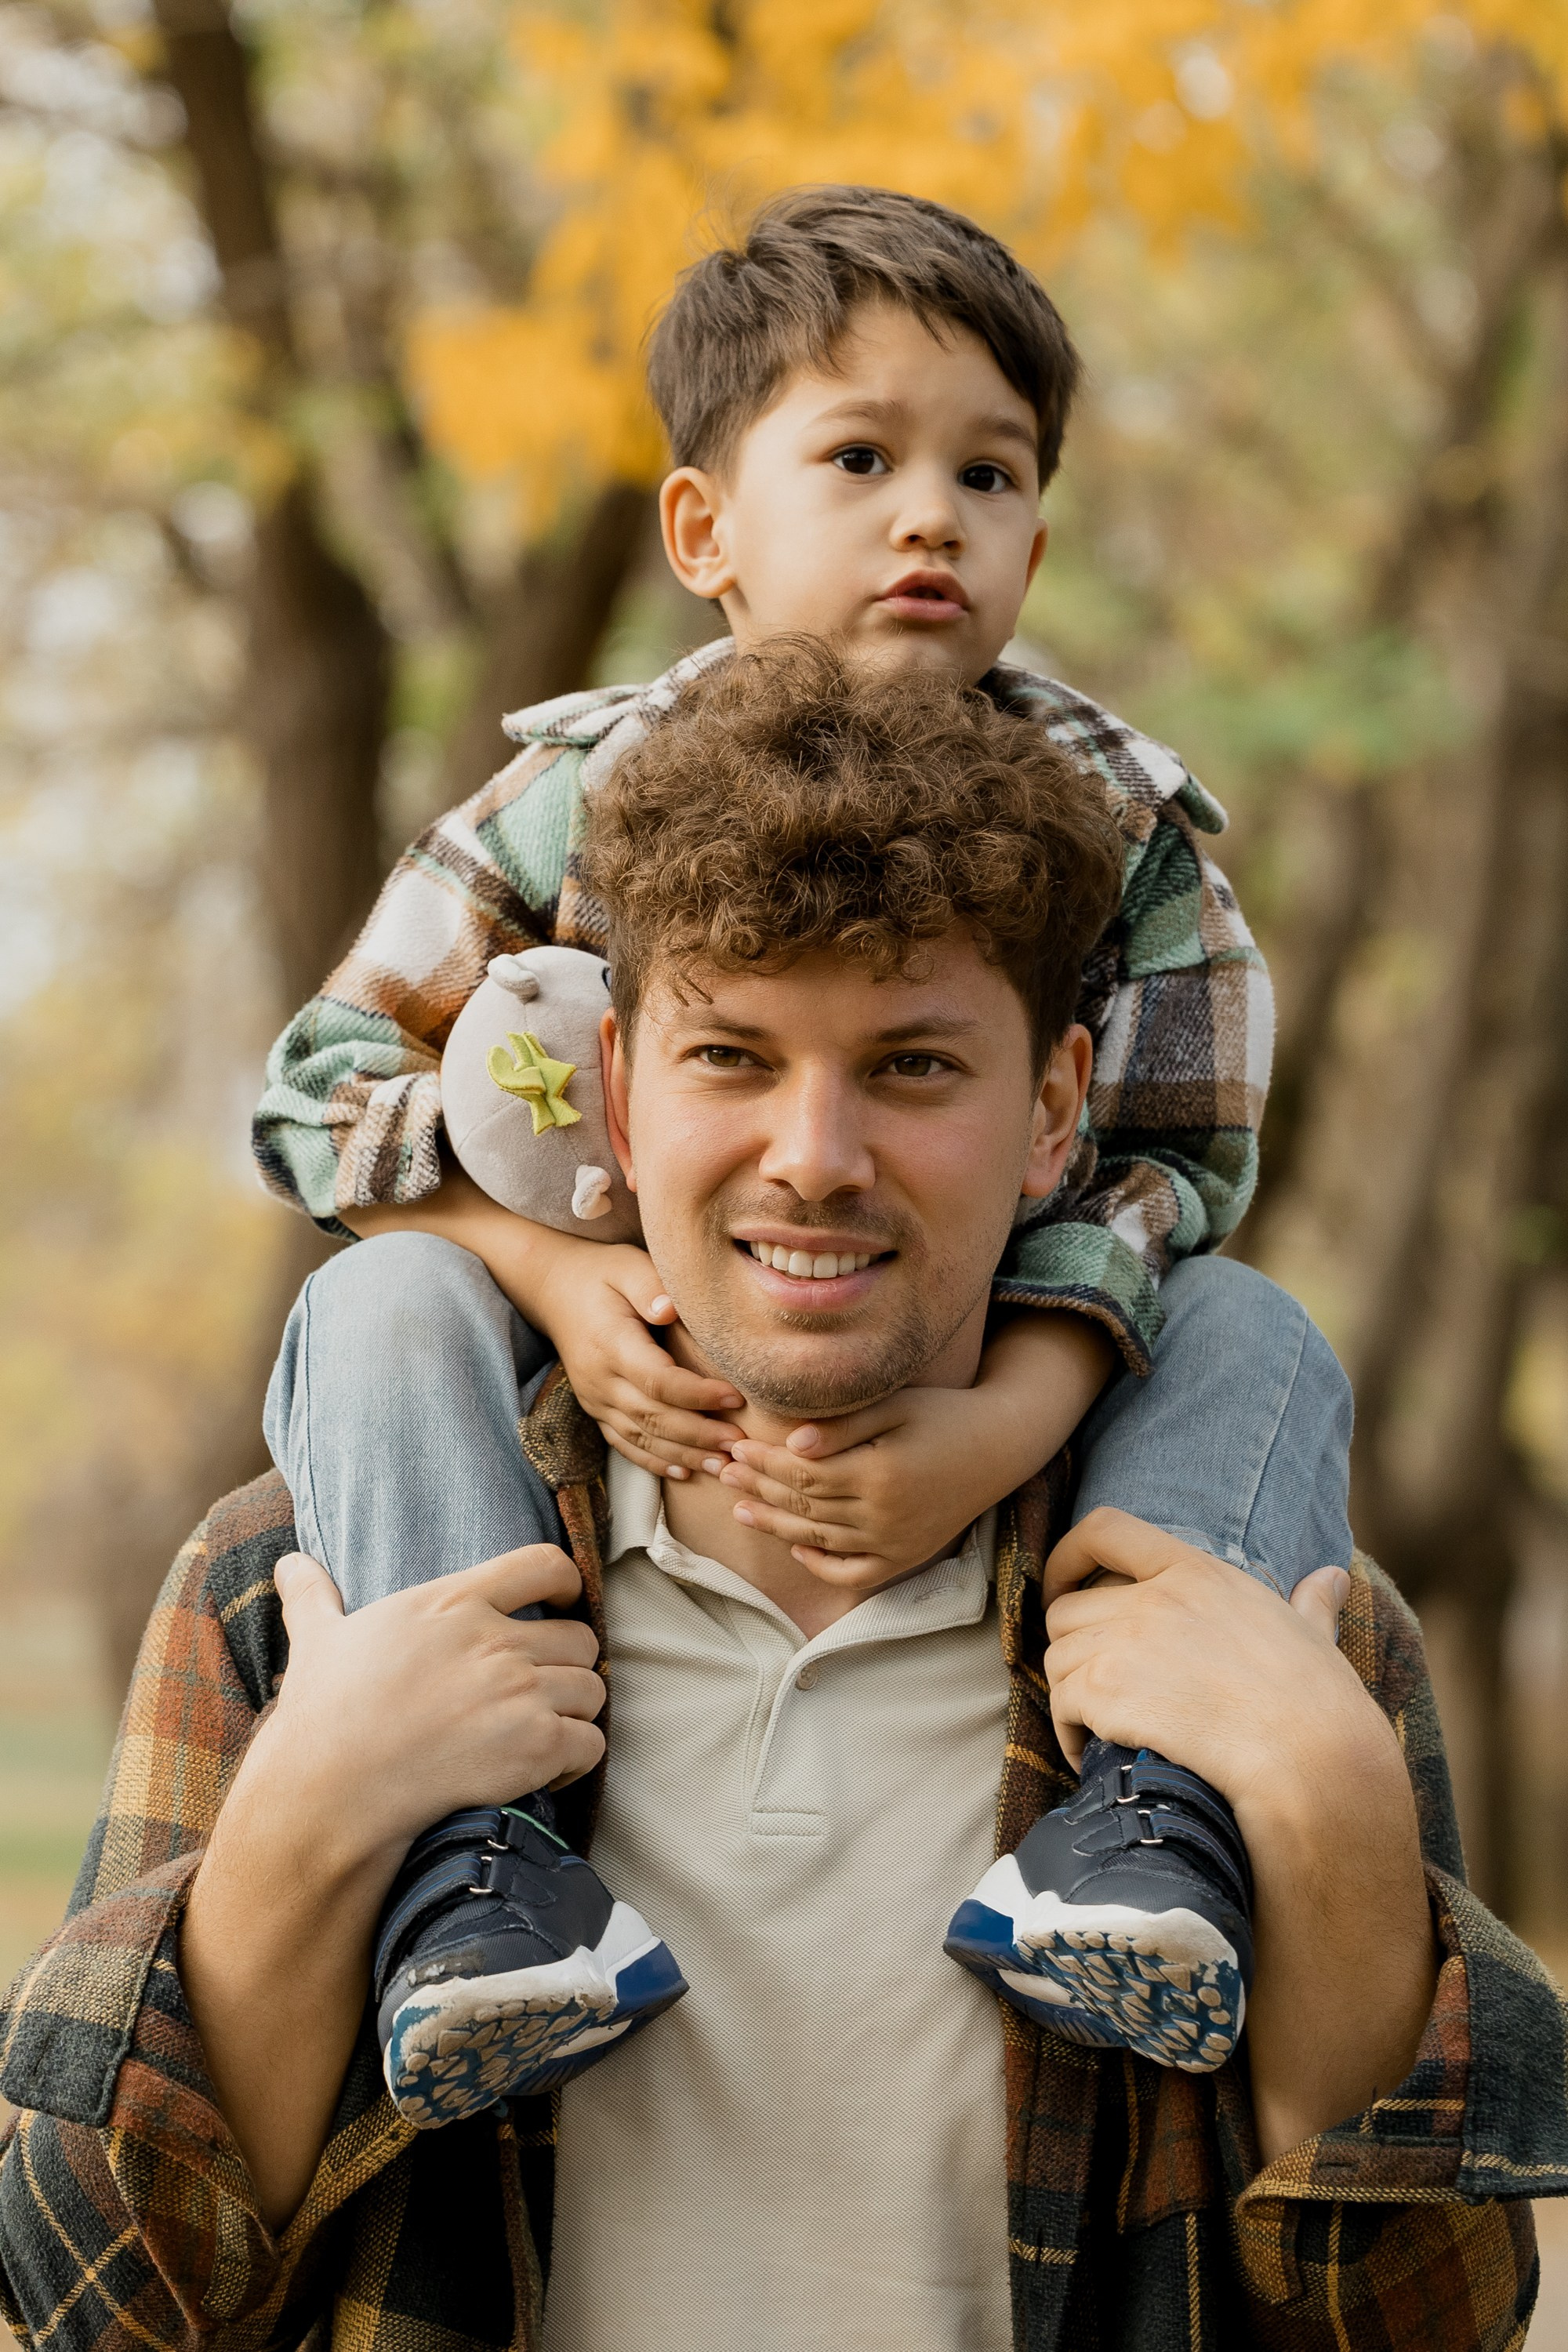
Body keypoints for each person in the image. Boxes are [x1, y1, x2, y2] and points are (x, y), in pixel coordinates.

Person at [0, 648, 1554, 2352]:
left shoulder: (1245, 1619)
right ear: (612, 1093)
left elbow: (1423, 2326)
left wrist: (1330, 1806)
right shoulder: (304, 1585)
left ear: (1051, 1115)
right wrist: (310, 1823)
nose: (813, 1152)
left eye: (911, 1069)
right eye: (732, 1055)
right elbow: (108, 2307)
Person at [249, 184, 1305, 2105]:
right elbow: (316, 1086)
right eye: (861, 456)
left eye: (988, 476)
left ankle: (1154, 1833)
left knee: (1262, 1338)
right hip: (639, 1329)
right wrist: (559, 1278)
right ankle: (475, 1870)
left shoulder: (1121, 828)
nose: (932, 516)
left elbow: (1182, 1162)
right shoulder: (577, 798)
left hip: (986, 1345)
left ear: (1036, 537)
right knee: (387, 1296)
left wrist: (1018, 1414)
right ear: (703, 530)